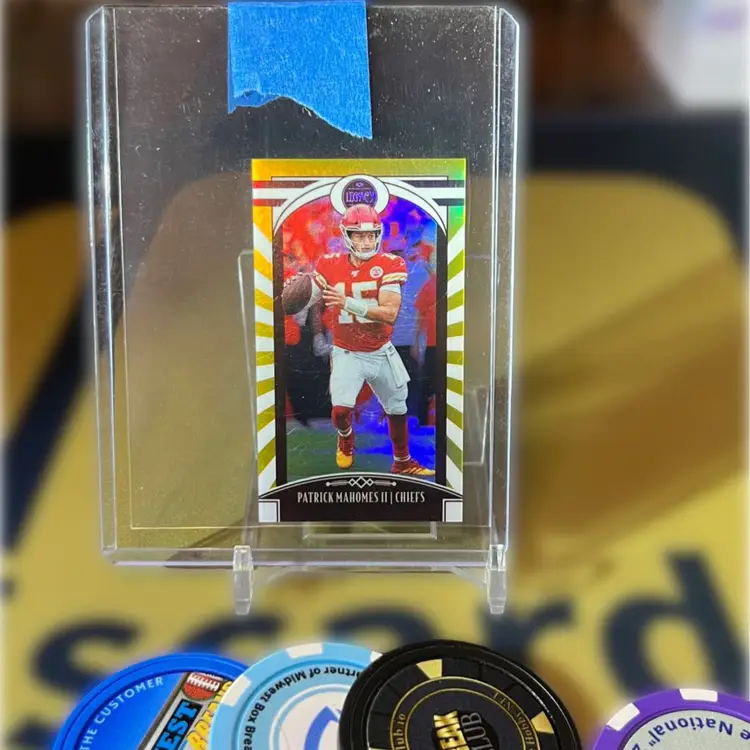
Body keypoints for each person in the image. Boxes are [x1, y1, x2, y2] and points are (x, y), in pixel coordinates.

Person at [298, 203, 434, 476]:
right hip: (347, 351)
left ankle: (402, 462)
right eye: (359, 235)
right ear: (347, 235)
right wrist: (297, 298)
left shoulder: (390, 264)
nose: (367, 241)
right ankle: (346, 437)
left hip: (380, 350)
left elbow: (389, 313)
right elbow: (313, 296)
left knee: (397, 408)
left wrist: (347, 302)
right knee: (340, 411)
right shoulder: (329, 263)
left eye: (371, 235)